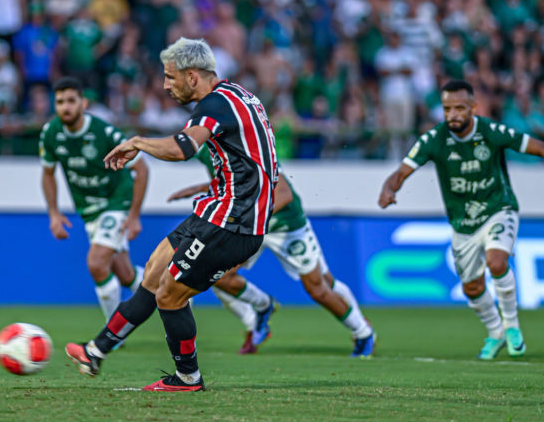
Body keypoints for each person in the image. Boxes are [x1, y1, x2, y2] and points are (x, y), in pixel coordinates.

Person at [65, 36, 278, 392]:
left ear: (192, 76)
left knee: (169, 295)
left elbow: (184, 148)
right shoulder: (238, 94)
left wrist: (137, 142)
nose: (165, 85)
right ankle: (96, 351)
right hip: (218, 210)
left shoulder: (215, 104)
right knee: (153, 271)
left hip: (234, 221)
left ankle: (187, 378)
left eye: (170, 77)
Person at [378, 79, 544, 360]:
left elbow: (536, 147)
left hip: (497, 208)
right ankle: (496, 332)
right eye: (447, 109)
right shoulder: (434, 139)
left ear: (472, 107)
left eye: (458, 108)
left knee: (497, 261)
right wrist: (389, 188)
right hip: (463, 223)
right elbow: (402, 171)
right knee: (472, 286)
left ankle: (512, 327)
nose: (452, 114)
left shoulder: (490, 131)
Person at [169, 157, 376, 356]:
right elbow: (231, 183)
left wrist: (251, 216)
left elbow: (284, 194)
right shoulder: (210, 148)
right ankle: (262, 306)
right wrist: (201, 188)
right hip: (255, 226)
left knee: (319, 288)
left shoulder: (250, 149)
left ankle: (363, 333)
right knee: (219, 275)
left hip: (285, 226)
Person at [40, 76, 148, 323]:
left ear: (83, 103)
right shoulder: (50, 133)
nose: (65, 107)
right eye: (59, 102)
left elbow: (141, 169)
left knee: (97, 263)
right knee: (126, 275)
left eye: (70, 101)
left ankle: (114, 333)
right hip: (89, 211)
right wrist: (54, 213)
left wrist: (133, 216)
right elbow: (47, 173)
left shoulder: (104, 132)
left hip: (116, 202)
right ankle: (169, 291)